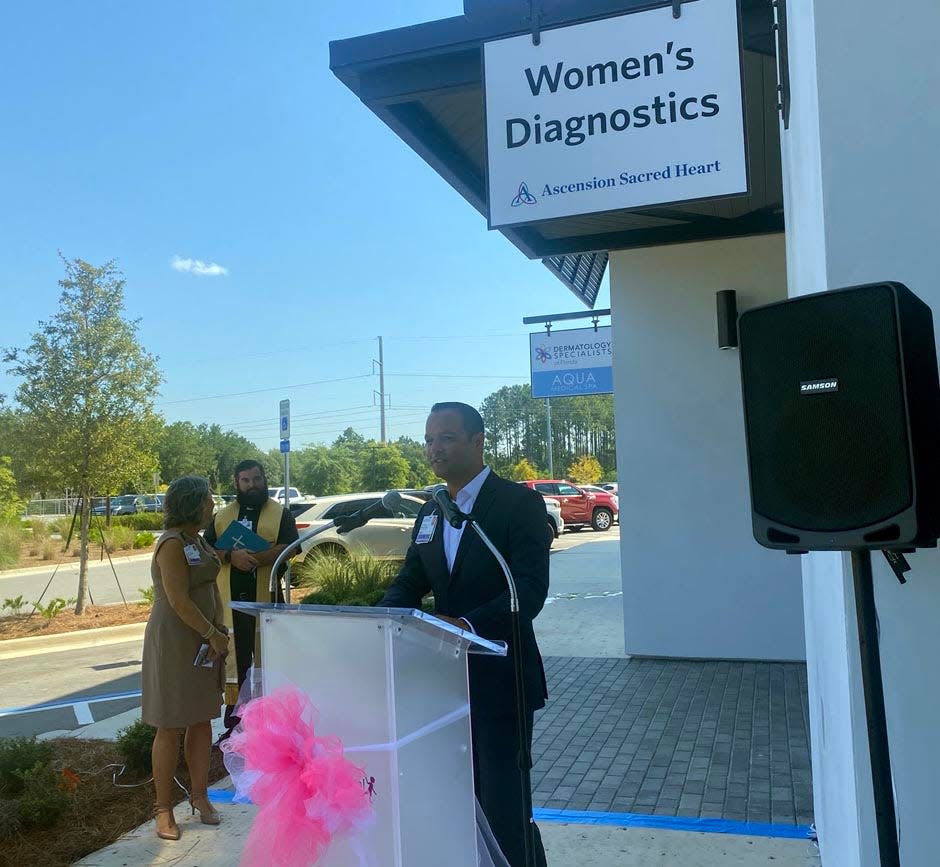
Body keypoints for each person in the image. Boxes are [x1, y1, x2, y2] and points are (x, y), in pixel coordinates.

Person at [379, 402, 549, 867]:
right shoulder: (433, 511)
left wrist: (468, 627)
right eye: (430, 439)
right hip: (440, 684)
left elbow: (529, 591)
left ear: (478, 442)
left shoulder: (518, 504)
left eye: (447, 438)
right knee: (454, 802)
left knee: (503, 807)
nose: (435, 448)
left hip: (500, 682)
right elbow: (410, 582)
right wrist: (378, 622)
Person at [141, 475, 230, 841]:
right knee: (170, 724)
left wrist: (219, 633)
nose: (213, 504)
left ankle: (200, 796)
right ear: (192, 503)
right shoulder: (172, 544)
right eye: (208, 498)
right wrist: (212, 633)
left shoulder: (198, 540)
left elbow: (209, 587)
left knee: (201, 720)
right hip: (177, 641)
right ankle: (163, 810)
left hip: (207, 641)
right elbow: (178, 600)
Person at [204, 459, 299, 738]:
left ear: (264, 479)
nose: (251, 485)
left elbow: (291, 547)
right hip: (230, 605)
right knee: (237, 664)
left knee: (269, 664)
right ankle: (235, 729)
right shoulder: (223, 516)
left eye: (256, 479)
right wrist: (232, 556)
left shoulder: (280, 514)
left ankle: (272, 728)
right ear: (237, 483)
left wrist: (260, 557)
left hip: (267, 602)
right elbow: (207, 548)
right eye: (245, 480)